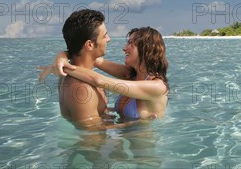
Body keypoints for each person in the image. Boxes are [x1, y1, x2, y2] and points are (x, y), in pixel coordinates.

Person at [40, 25, 169, 121]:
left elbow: (99, 81)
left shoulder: (157, 87)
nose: (124, 48)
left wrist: (63, 67)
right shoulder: (131, 75)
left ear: (146, 49)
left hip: (145, 154)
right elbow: (89, 56)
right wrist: (61, 57)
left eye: (130, 44)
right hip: (122, 145)